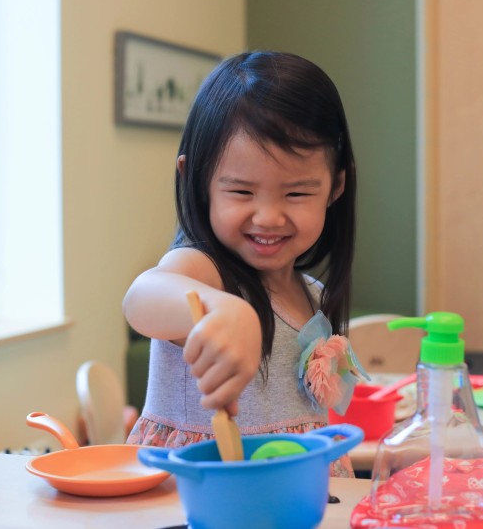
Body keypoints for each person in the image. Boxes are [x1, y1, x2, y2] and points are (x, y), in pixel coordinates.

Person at [123, 51, 358, 476]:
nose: (267, 216)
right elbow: (142, 297)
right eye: (242, 193)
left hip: (295, 495)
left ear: (335, 186)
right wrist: (221, 309)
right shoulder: (202, 270)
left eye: (297, 194)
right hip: (198, 493)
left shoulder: (313, 295)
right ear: (197, 180)